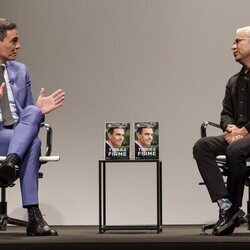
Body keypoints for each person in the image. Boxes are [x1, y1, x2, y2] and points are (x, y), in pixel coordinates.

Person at [0, 18, 65, 236]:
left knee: (33, 115)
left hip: (14, 133)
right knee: (34, 144)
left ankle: (11, 161)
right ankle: (34, 216)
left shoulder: (20, 70)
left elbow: (27, 114)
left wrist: (37, 110)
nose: (18, 46)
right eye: (13, 41)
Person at [193, 26, 250, 236]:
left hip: (245, 138)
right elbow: (225, 113)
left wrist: (243, 132)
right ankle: (226, 205)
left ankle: (233, 210)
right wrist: (229, 127)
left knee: (235, 150)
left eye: (238, 41)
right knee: (202, 146)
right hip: (238, 137)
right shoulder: (234, 81)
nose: (232, 46)